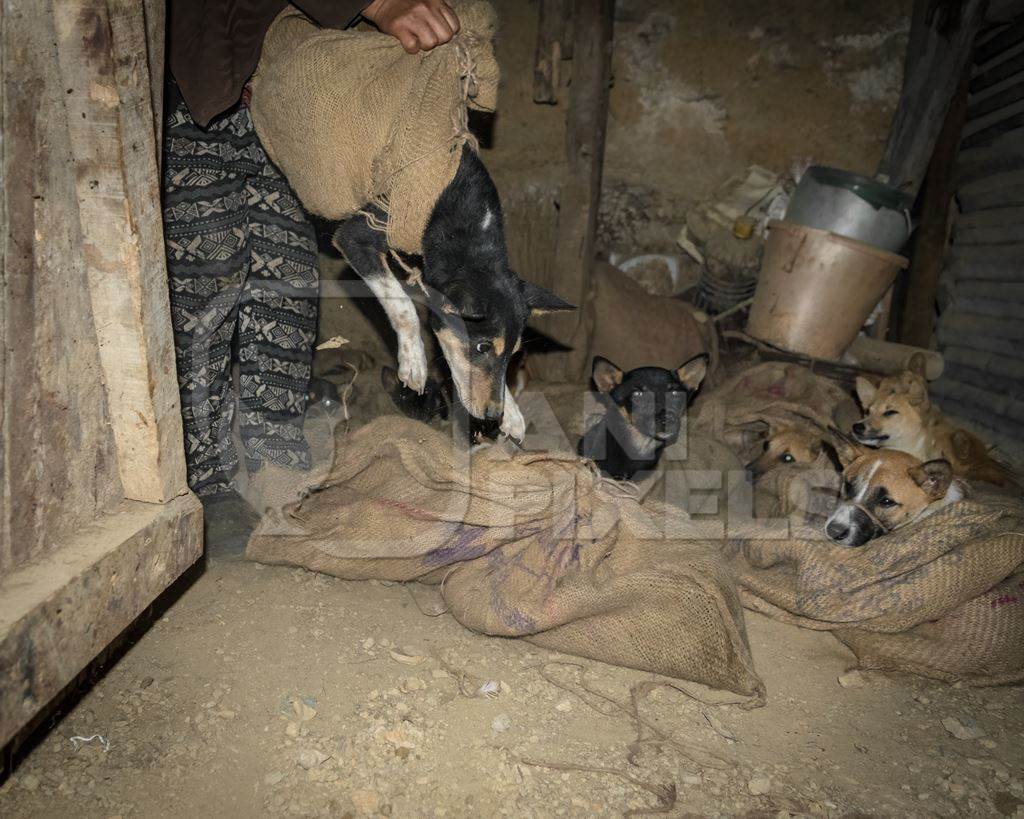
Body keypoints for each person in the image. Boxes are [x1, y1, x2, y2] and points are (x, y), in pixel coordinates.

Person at [163, 0, 461, 518]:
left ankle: (273, 454)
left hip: (278, 96)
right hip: (198, 90)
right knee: (207, 274)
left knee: (290, 274)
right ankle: (202, 472)